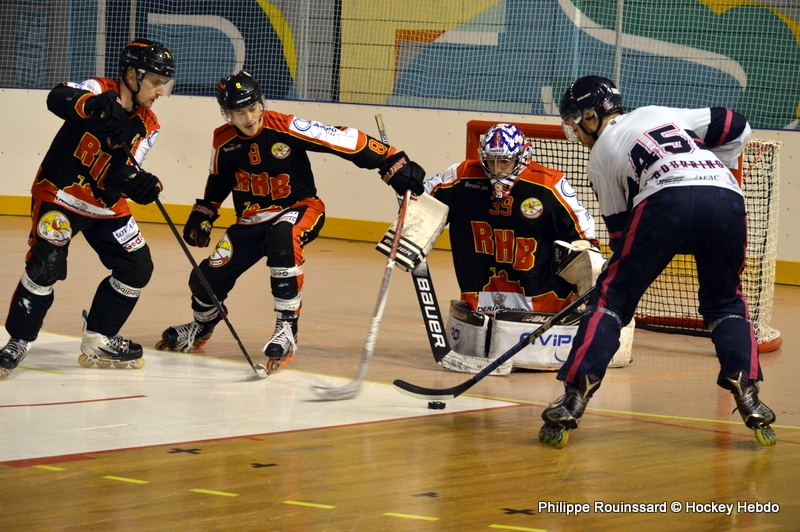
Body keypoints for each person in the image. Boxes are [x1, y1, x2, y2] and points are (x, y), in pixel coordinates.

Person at [538, 75, 776, 448]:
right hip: (727, 198)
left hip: (665, 201)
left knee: (611, 300)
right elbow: (736, 124)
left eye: (575, 122)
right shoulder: (657, 112)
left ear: (590, 114)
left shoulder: (600, 156)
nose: (576, 133)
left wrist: (613, 285)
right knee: (725, 302)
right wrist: (721, 167)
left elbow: (619, 237)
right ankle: (748, 392)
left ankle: (573, 399)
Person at [156, 71, 425, 374]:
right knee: (204, 280)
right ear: (226, 114)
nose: (248, 117)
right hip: (250, 222)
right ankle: (202, 327)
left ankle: (286, 328)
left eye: (252, 108)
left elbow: (340, 138)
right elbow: (219, 179)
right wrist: (205, 211)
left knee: (282, 237)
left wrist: (390, 160)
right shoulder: (223, 140)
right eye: (238, 112)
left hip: (300, 208)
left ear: (261, 103)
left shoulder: (285, 126)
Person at [0, 39, 175, 378]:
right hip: (60, 194)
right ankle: (18, 340)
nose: (161, 91)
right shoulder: (99, 87)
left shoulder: (149, 125)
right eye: (155, 81)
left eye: (163, 83)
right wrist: (94, 106)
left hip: (105, 206)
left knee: (137, 266)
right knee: (47, 263)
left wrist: (138, 185)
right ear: (130, 75)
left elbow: (118, 177)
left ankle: (99, 337)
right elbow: (57, 97)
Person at [420, 123, 631, 374]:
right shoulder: (463, 176)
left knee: (591, 262)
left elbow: (584, 234)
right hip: (482, 304)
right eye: (491, 162)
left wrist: (584, 259)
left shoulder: (549, 185)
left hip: (541, 306)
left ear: (522, 157)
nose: (497, 170)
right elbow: (421, 197)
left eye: (505, 162)